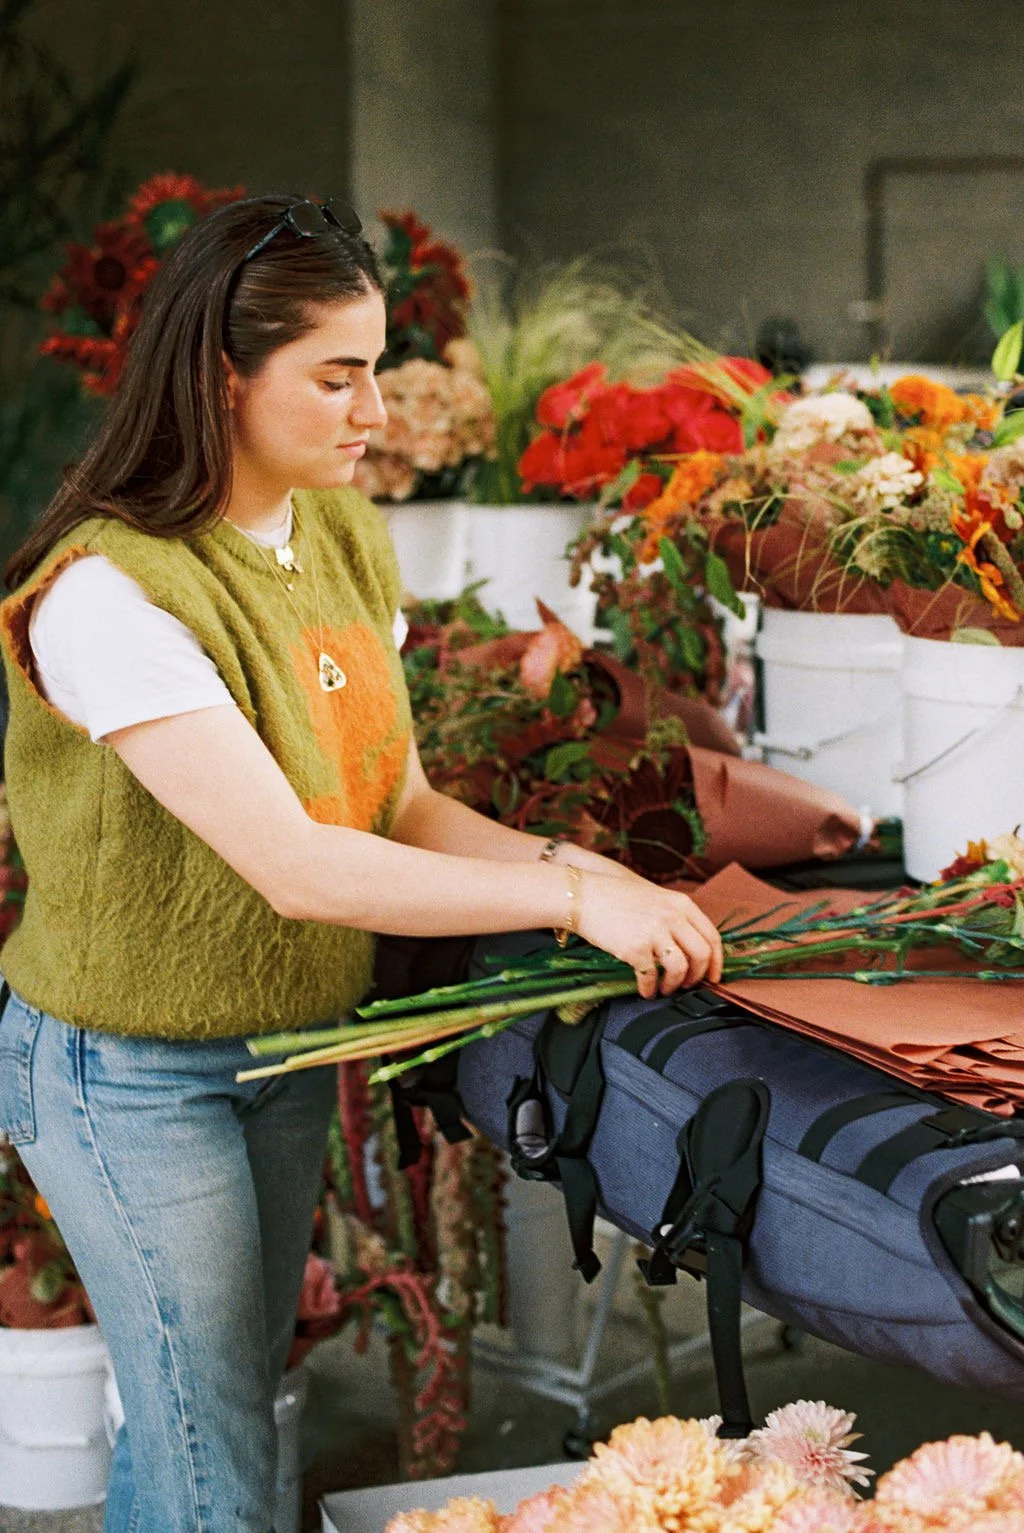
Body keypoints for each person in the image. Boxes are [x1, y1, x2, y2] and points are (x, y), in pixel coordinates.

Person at [0, 193, 723, 1533]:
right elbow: (300, 866)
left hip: (279, 1050)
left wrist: (590, 876)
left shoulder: (335, 533)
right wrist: (573, 894)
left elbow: (395, 801)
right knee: (205, 1434)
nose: (375, 411)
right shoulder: (115, 593)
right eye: (337, 378)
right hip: (131, 1072)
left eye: (375, 371)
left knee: (211, 1408)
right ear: (223, 379)